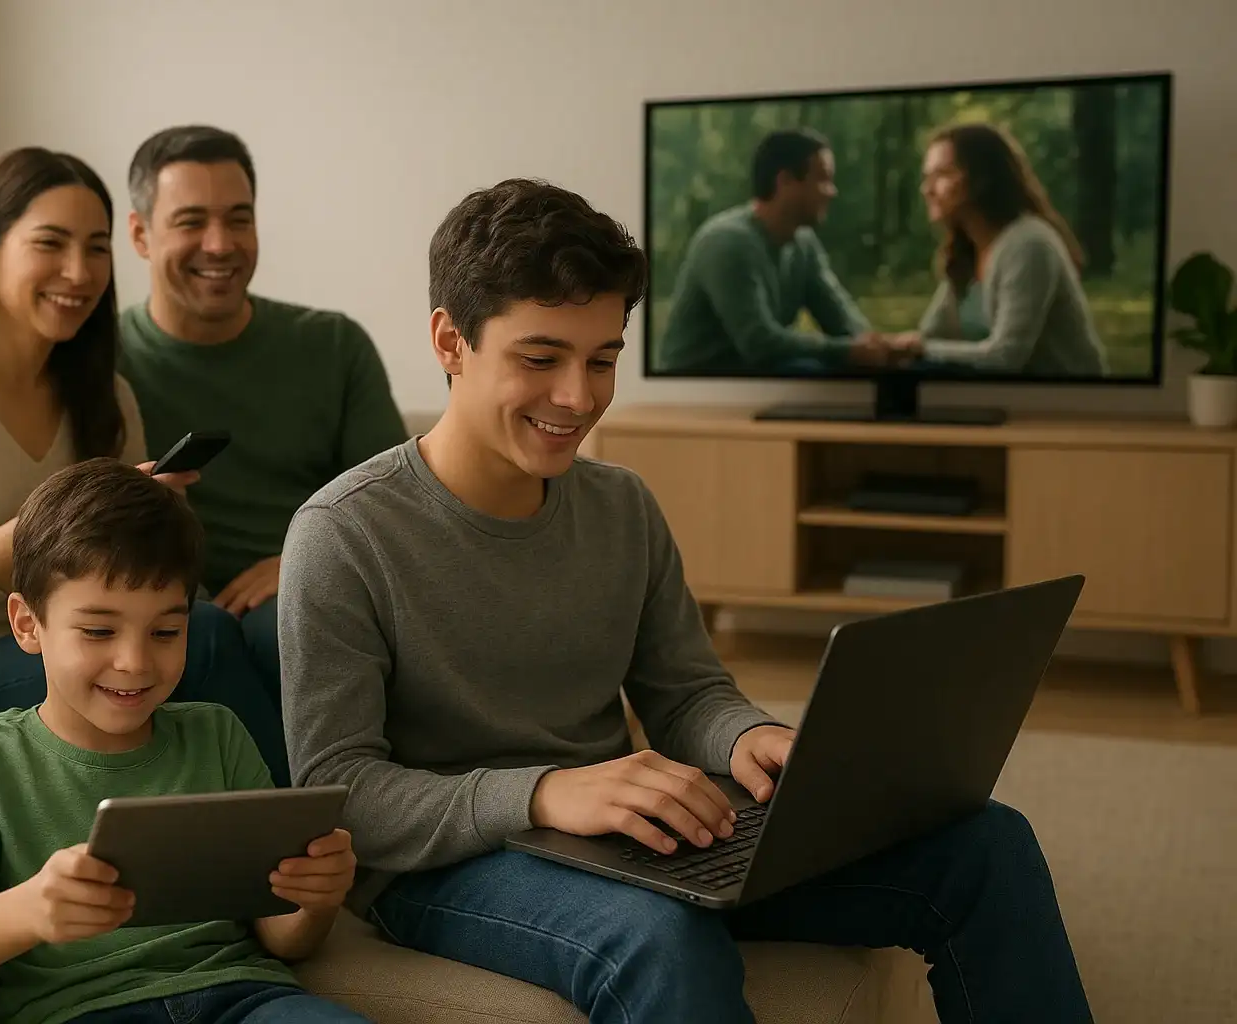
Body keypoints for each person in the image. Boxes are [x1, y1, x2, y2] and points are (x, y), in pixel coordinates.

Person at [278, 178, 1095, 1023]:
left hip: (628, 833)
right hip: (443, 866)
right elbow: (341, 787)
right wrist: (545, 792)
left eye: (602, 360)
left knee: (986, 844)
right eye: (541, 358)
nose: (578, 397)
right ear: (451, 340)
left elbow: (687, 693)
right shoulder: (343, 533)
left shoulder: (622, 504)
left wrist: (751, 738)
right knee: (663, 937)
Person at [0, 146, 289, 783]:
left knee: (245, 632)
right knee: (210, 639)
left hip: (77, 639)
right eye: (50, 244)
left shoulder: (103, 394)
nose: (78, 272)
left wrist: (150, 518)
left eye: (96, 248)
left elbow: (127, 573)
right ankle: (307, 839)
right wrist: (61, 526)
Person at [0, 458, 367, 1024]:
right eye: (98, 630)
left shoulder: (218, 734)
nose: (135, 662)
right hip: (78, 1011)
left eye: (166, 631)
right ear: (27, 624)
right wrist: (30, 909)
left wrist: (315, 900)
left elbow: (284, 938)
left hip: (244, 997)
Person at [117, 125, 408, 694]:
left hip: (310, 599)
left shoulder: (333, 346)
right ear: (140, 235)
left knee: (288, 627)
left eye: (239, 218)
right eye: (191, 221)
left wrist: (299, 564)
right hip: (170, 613)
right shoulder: (95, 362)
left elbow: (395, 510)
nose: (221, 243)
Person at [655, 128, 893, 374]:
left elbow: (840, 317)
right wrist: (848, 351)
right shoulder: (728, 241)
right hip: (692, 390)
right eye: (823, 179)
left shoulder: (804, 245)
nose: (832, 192)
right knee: (810, 370)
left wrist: (884, 347)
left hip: (754, 383)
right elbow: (759, 342)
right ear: (785, 181)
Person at [885, 121, 1109, 376]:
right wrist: (883, 349)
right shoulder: (968, 250)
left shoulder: (1029, 243)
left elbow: (1006, 356)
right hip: (1003, 399)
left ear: (982, 179)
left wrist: (922, 349)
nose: (927, 189)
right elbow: (929, 335)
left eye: (942, 175)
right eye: (927, 177)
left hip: (1066, 406)